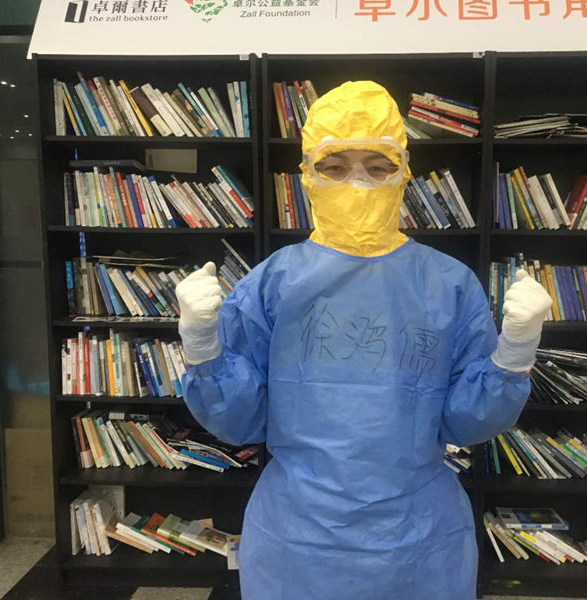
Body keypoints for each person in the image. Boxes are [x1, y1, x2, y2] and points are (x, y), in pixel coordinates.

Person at [176, 81, 552, 600]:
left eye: (378, 166)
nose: (357, 182)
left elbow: (467, 423)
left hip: (416, 535)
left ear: (404, 172)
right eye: (334, 166)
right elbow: (241, 422)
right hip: (299, 535)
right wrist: (202, 344)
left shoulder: (448, 284)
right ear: (306, 174)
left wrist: (514, 352)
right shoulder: (273, 282)